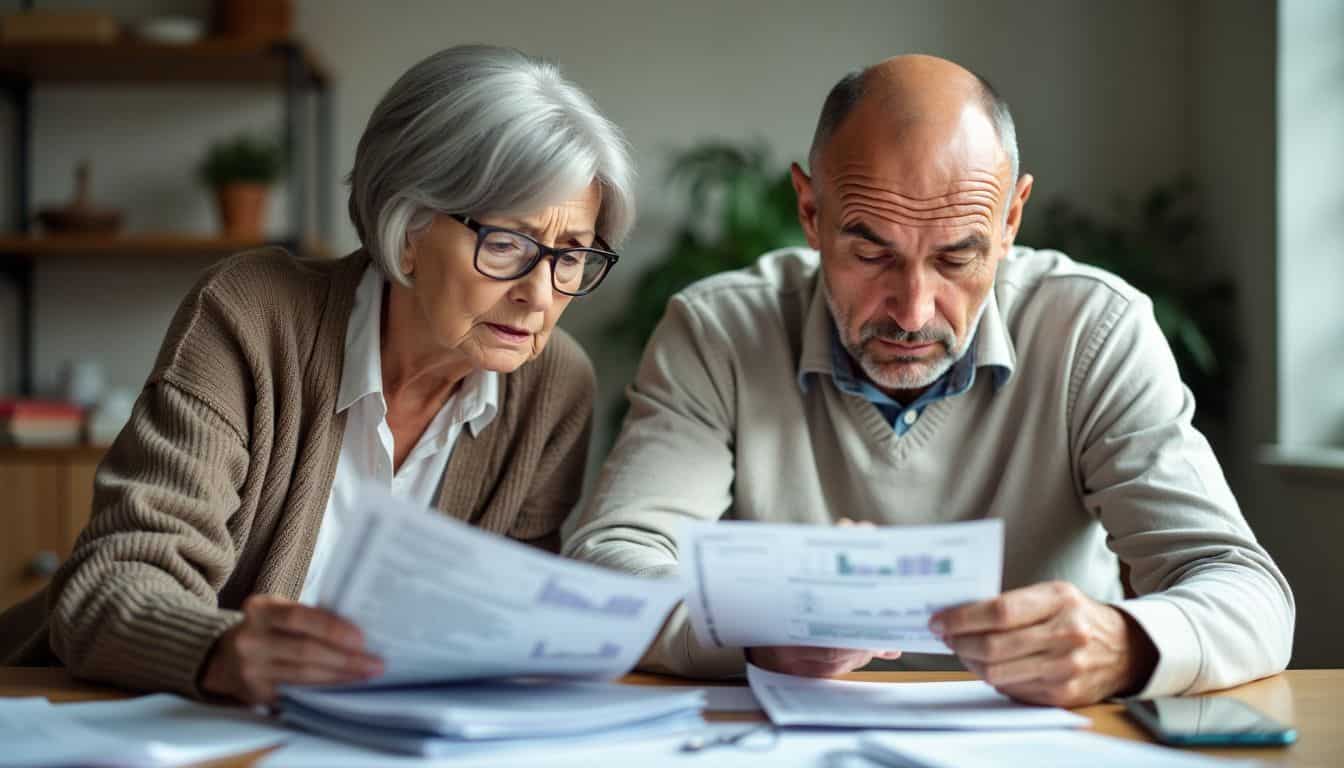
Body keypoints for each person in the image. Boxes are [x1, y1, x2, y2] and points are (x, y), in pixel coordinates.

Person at [565, 54, 1293, 707]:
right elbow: (608, 571)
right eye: (871, 252)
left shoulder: (1094, 332)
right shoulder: (720, 331)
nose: (913, 312)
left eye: (956, 258)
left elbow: (1246, 590)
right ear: (811, 212)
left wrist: (1124, 643)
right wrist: (759, 627)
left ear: (1010, 221)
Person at [0, 44, 635, 705]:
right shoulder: (254, 315)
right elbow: (108, 587)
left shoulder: (556, 387)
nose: (540, 294)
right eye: (506, 243)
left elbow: (504, 626)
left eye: (572, 255)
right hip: (105, 717)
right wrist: (219, 651)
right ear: (409, 225)